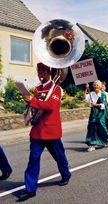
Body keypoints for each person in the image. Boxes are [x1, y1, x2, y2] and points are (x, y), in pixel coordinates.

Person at [19, 63, 71, 201]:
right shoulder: (37, 89)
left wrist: (33, 100)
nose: (41, 76)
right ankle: (30, 189)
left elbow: (50, 106)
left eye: (43, 73)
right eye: (39, 73)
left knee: (59, 156)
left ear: (49, 73)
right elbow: (36, 106)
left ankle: (66, 174)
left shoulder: (56, 89)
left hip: (51, 130)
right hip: (37, 131)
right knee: (33, 160)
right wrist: (28, 102)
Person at [84, 81, 108, 152]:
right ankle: (92, 145)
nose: (96, 87)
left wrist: (95, 105)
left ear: (100, 86)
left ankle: (107, 139)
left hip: (100, 113)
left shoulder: (103, 95)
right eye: (94, 85)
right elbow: (85, 98)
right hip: (93, 113)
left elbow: (104, 105)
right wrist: (86, 89)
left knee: (102, 126)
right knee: (92, 128)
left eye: (97, 85)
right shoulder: (91, 93)